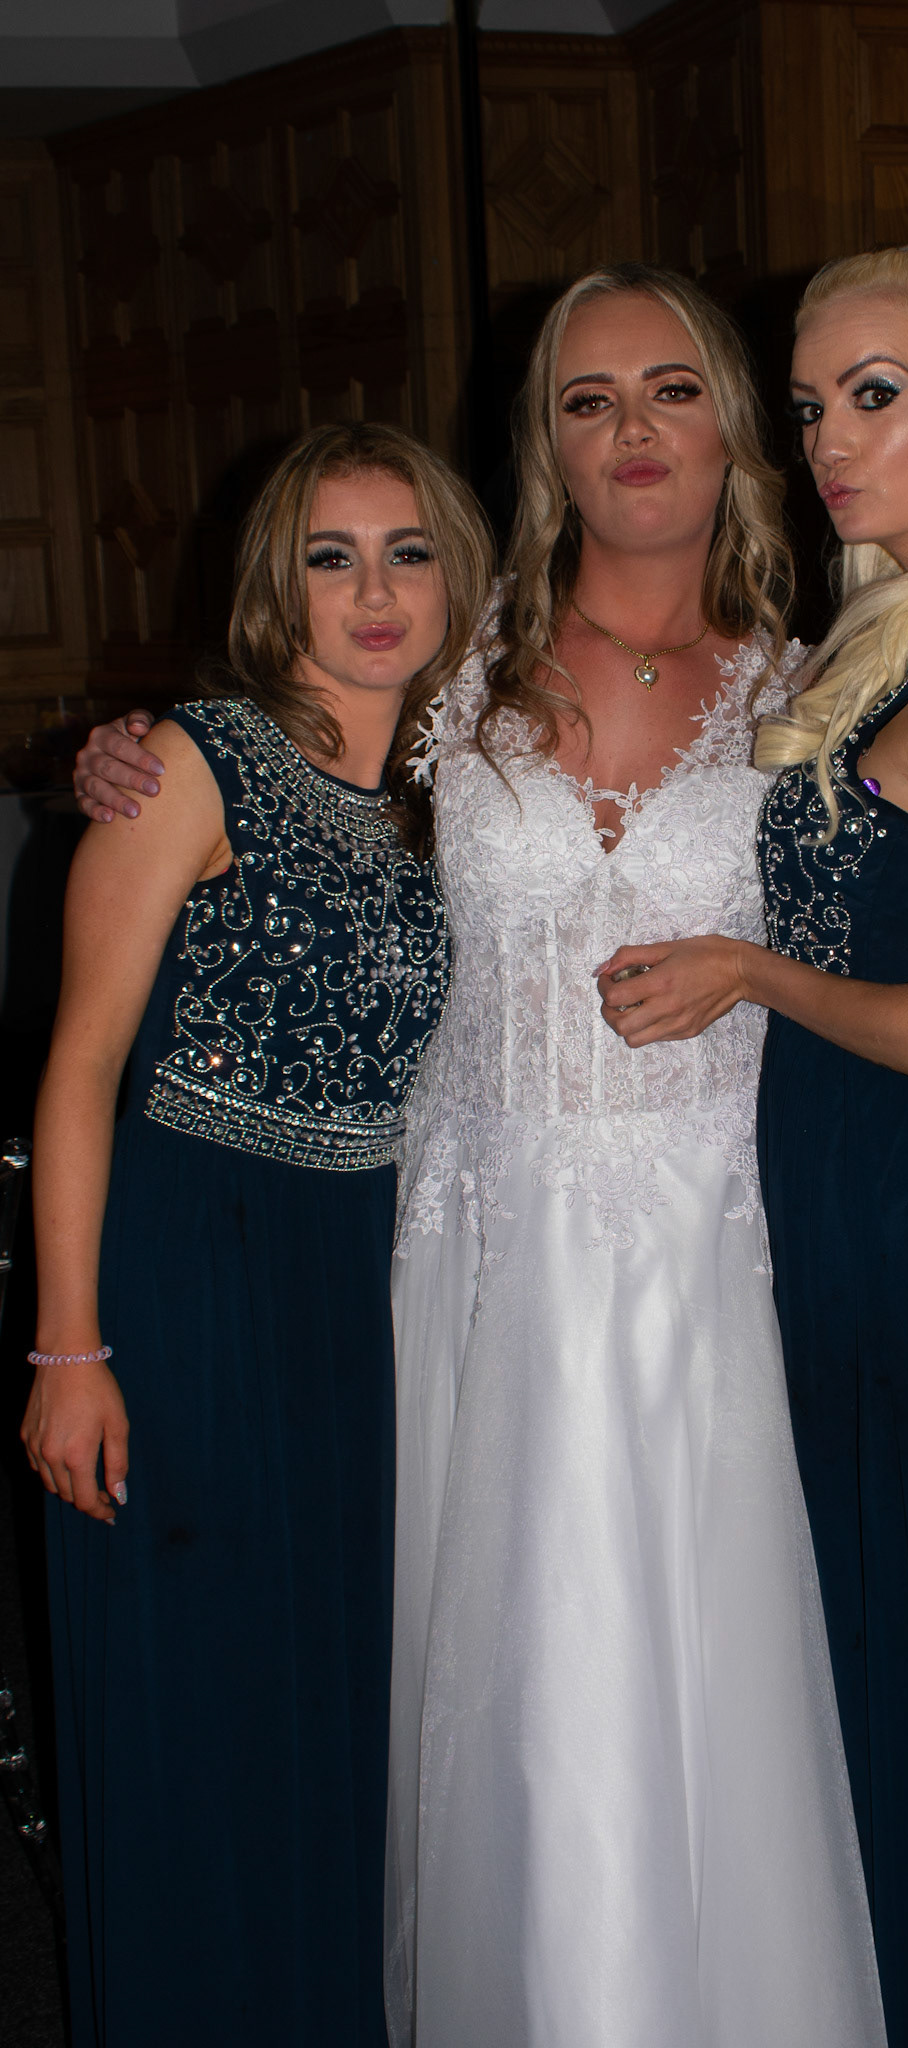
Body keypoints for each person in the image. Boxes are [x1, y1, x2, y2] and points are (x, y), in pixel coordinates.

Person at [381, 265, 885, 2045]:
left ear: (733, 425)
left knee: (703, 1681)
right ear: (548, 443)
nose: (634, 430)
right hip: (486, 1241)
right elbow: (273, 775)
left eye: (671, 388)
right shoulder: (450, 660)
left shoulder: (820, 691)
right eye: (588, 400)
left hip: (705, 1247)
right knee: (513, 1697)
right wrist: (141, 757)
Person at [597, 244, 908, 2048]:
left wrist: (750, 973)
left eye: (875, 397)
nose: (829, 444)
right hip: (893, 1207)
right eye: (808, 408)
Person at [22, 422, 493, 2048]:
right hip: (195, 1273)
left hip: (366, 1278)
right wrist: (68, 1346)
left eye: (409, 552)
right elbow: (80, 1071)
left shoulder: (457, 791)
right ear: (272, 584)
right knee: (200, 1704)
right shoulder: (189, 764)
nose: (376, 592)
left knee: (331, 1704)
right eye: (330, 557)